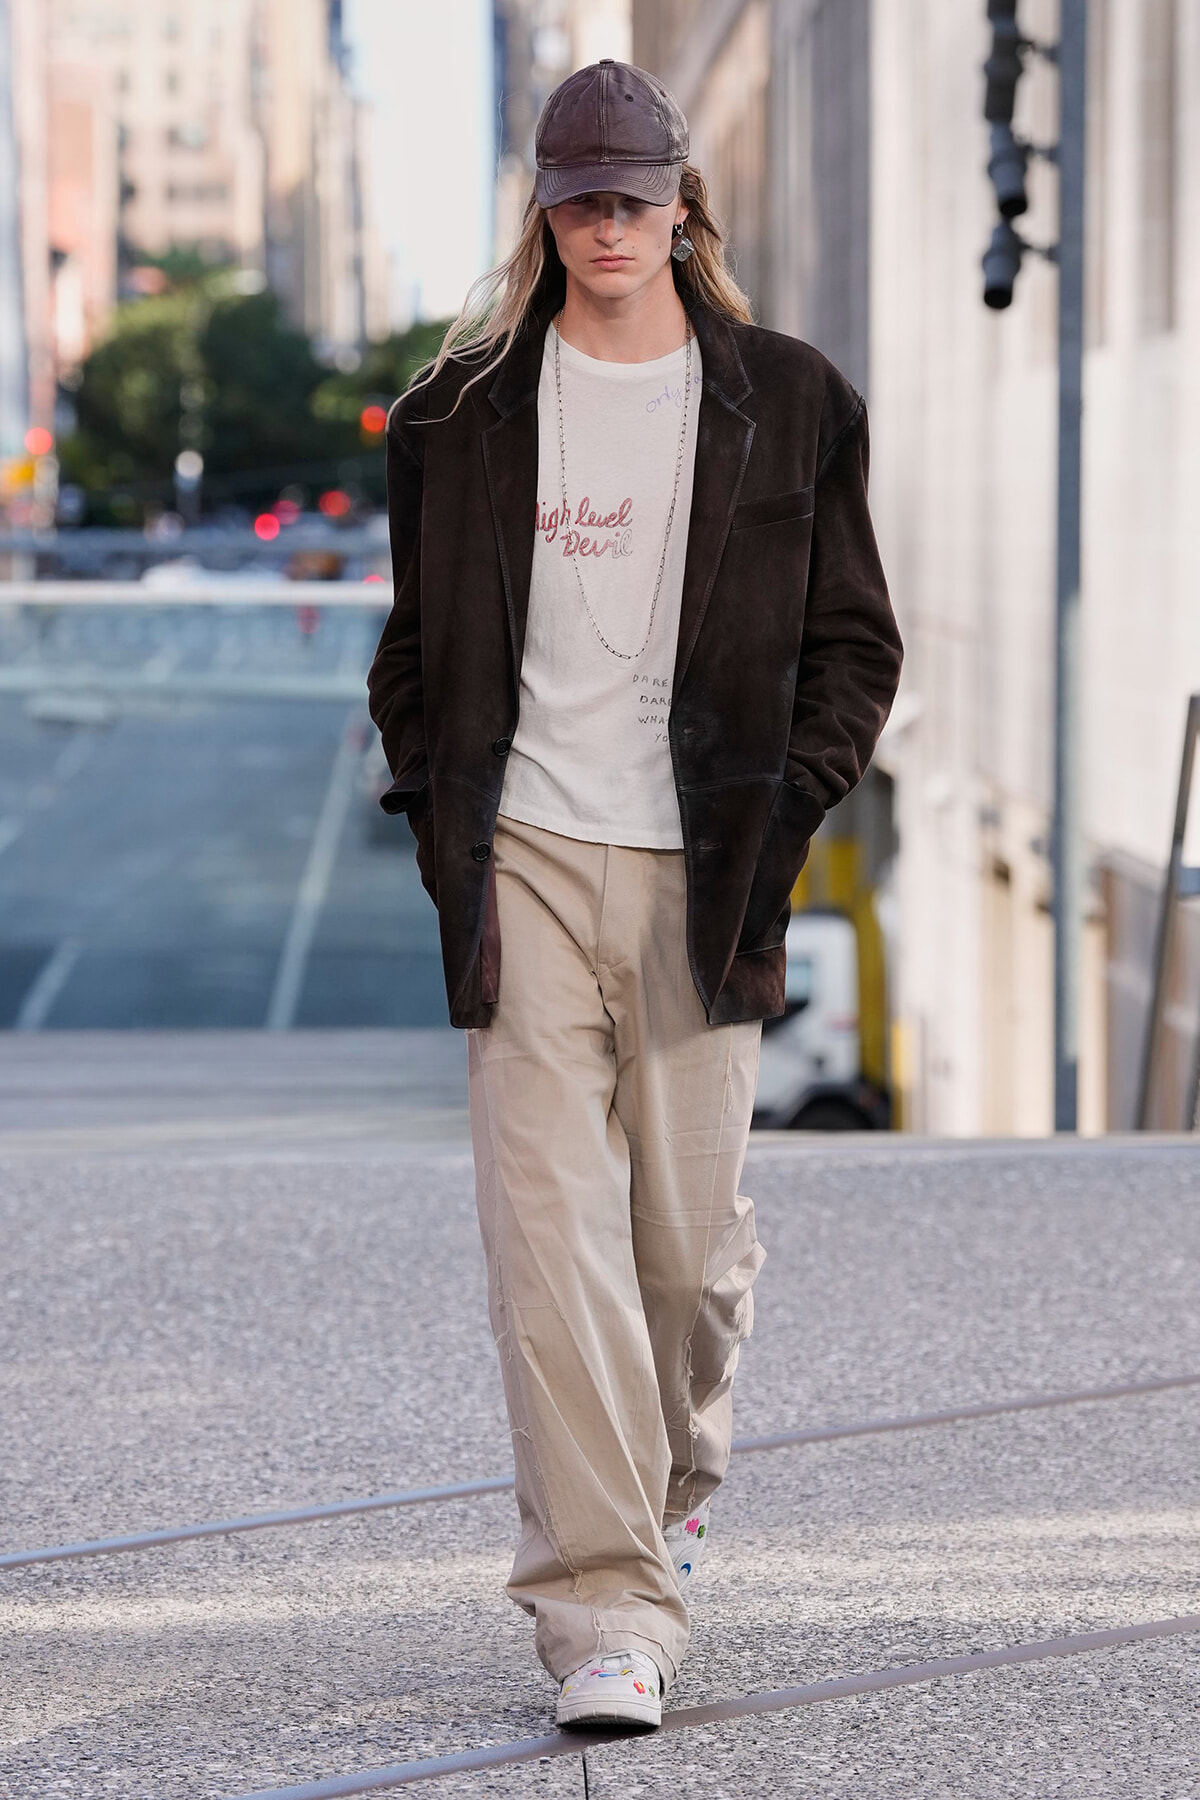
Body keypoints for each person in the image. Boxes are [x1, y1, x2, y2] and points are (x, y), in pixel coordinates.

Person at [367, 59, 902, 1732]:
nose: (609, 223)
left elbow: (854, 646)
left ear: (684, 206)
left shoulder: (790, 400)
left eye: (635, 195)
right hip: (523, 853)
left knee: (682, 1260)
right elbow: (413, 653)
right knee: (553, 1251)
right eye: (580, 197)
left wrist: (785, 806)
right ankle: (604, 1615)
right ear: (546, 209)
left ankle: (665, 1489)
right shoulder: (457, 413)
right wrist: (438, 820)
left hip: (704, 871)